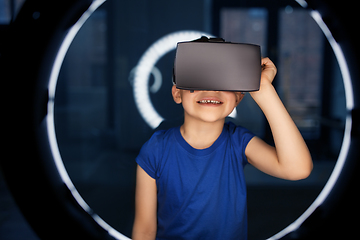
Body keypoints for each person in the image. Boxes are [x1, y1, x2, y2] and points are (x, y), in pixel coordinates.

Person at [132, 57, 313, 240]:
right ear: (178, 93)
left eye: (224, 81)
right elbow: (144, 230)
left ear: (238, 97)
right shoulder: (155, 150)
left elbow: (297, 168)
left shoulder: (238, 141)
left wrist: (264, 90)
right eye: (198, 78)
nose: (211, 89)